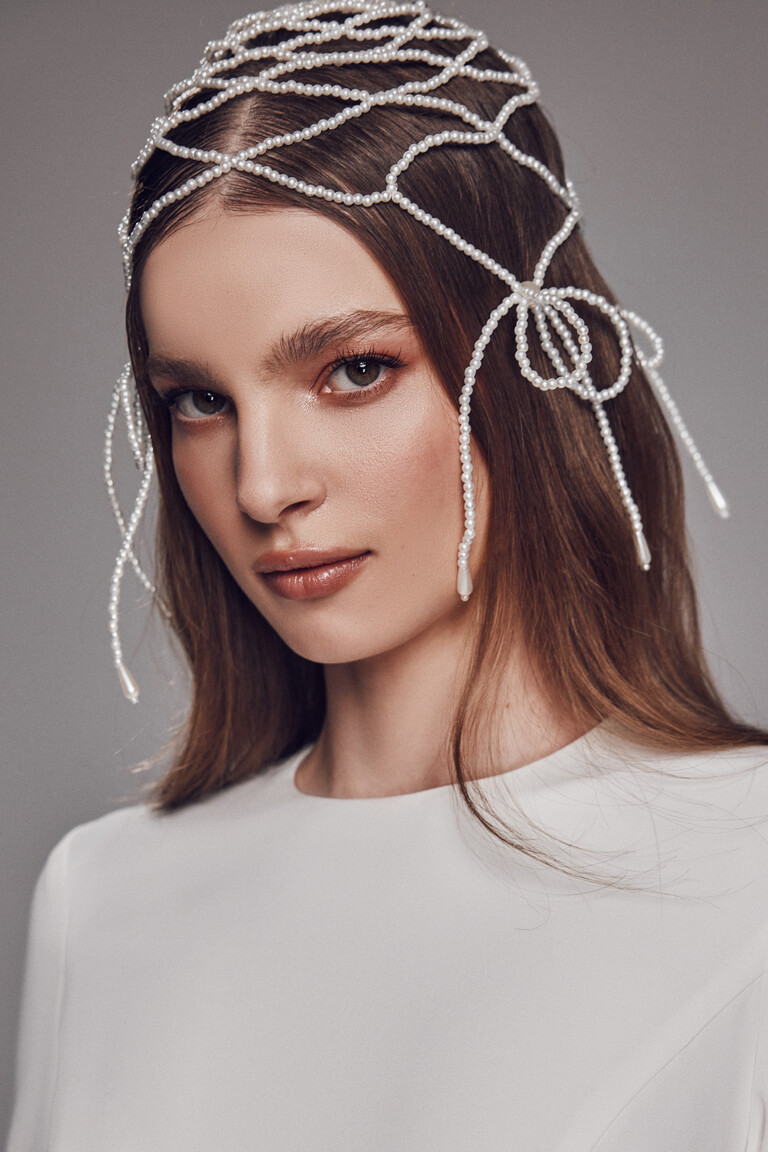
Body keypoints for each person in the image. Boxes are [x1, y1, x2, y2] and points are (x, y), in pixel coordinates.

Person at [7, 2, 768, 1148]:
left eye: (353, 370)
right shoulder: (101, 903)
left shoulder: (747, 880)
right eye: (200, 401)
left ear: (526, 356)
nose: (263, 486)